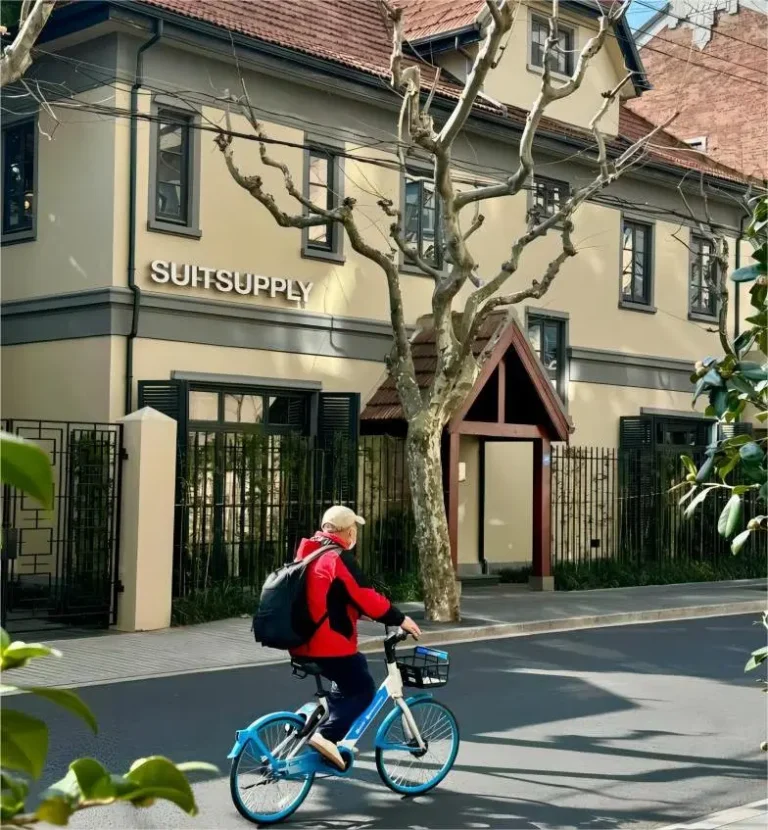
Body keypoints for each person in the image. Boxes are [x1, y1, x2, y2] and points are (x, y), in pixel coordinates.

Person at [291, 504, 421, 769]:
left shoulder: (311, 552)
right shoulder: (338, 557)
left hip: (300, 643)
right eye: (355, 530)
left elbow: (328, 596)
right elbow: (365, 595)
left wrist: (362, 614)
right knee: (363, 690)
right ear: (348, 532)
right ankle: (326, 737)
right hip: (327, 646)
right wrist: (399, 618)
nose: (355, 536)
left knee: (353, 671)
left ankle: (320, 729)